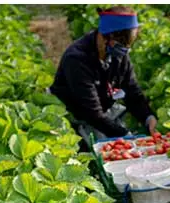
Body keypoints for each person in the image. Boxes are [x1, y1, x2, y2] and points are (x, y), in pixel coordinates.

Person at [50, 6, 156, 143]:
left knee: (121, 134)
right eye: (122, 43)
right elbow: (92, 113)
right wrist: (125, 135)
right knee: (101, 147)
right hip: (76, 114)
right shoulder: (77, 59)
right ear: (105, 36)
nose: (125, 49)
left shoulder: (118, 54)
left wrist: (149, 117)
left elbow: (132, 92)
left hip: (103, 109)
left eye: (128, 44)